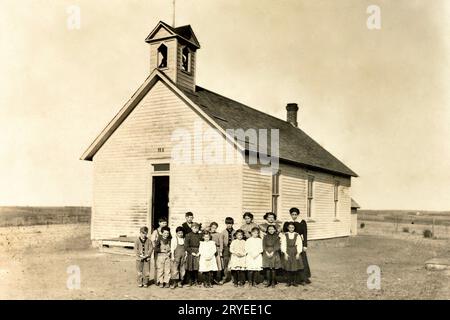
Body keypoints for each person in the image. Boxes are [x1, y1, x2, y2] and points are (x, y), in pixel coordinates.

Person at [282, 207, 311, 285]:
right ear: (290, 214)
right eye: (292, 214)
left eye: (295, 214)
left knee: (301, 260)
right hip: (290, 243)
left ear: (298, 214)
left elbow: (305, 233)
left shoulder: (302, 222)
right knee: (290, 260)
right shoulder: (287, 223)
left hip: (299, 242)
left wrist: (305, 245)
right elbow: (285, 233)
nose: (294, 216)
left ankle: (303, 278)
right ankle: (290, 278)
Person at [281, 222, 304, 287]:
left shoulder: (297, 235)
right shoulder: (285, 235)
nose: (291, 229)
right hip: (288, 251)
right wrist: (285, 253)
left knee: (295, 267)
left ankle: (294, 281)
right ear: (288, 228)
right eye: (290, 227)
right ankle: (289, 281)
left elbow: (299, 244)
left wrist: (298, 253)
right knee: (288, 267)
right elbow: (283, 244)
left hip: (295, 251)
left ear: (294, 228)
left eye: (292, 227)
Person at [184, 222, 202, 286]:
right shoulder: (188, 235)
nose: (195, 229)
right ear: (191, 228)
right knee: (190, 267)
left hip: (198, 251)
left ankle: (196, 280)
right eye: (194, 228)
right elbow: (186, 246)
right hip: (191, 252)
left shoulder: (200, 235)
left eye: (197, 228)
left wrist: (200, 251)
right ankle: (190, 281)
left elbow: (202, 244)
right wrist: (191, 252)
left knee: (196, 267)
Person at [219, 217, 236, 283]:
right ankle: (224, 278)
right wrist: (221, 250)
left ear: (232, 224)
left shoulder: (235, 232)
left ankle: (234, 278)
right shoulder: (223, 232)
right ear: (226, 224)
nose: (229, 225)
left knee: (233, 263)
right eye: (228, 224)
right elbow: (221, 242)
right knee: (225, 264)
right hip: (226, 249)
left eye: (231, 224)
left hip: (233, 249)